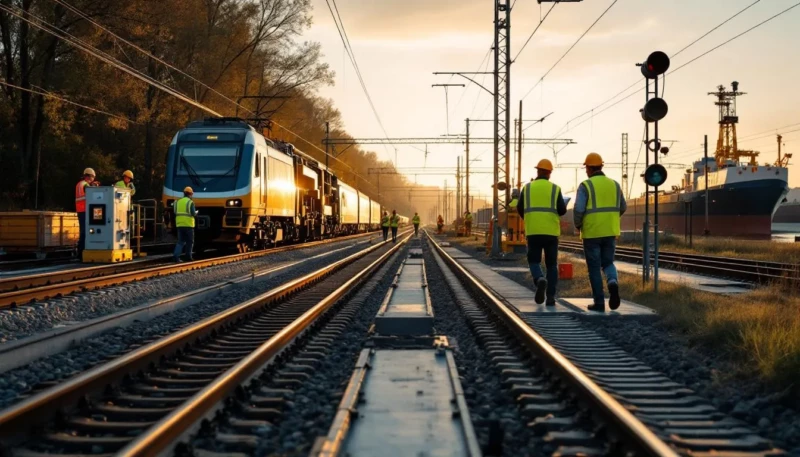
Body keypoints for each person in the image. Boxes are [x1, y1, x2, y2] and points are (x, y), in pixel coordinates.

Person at [573, 153, 626, 312]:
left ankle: (599, 303)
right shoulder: (615, 185)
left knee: (594, 268)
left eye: (586, 168)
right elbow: (622, 207)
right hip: (610, 232)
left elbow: (578, 209)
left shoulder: (585, 186)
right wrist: (610, 219)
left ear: (589, 168)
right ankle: (612, 282)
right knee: (608, 263)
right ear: (601, 167)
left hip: (591, 233)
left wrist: (578, 225)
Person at [517, 159, 567, 306]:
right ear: (549, 173)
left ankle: (539, 279)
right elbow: (562, 210)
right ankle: (550, 297)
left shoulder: (527, 188)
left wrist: (530, 218)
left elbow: (520, 208)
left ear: (537, 171)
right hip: (551, 232)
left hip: (533, 231)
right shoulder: (555, 189)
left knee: (534, 261)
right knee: (552, 265)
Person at [75, 167, 99, 259]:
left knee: (83, 232)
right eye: (93, 178)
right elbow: (91, 193)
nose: (93, 179)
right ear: (89, 176)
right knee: (85, 232)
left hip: (80, 211)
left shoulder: (79, 184)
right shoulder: (85, 185)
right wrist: (95, 186)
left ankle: (80, 252)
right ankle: (81, 253)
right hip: (85, 210)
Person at [173, 186, 198, 262]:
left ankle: (176, 257)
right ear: (190, 194)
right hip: (188, 225)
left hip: (179, 224)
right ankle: (188, 256)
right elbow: (193, 213)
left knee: (180, 242)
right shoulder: (190, 202)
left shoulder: (177, 202)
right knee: (190, 241)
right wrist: (196, 213)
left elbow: (175, 212)